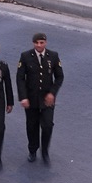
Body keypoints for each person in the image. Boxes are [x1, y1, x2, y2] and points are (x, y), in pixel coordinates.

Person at [16, 32, 64, 164]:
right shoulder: (25, 56)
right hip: (31, 99)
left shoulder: (53, 56)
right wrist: (23, 97)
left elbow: (59, 76)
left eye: (41, 43)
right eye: (36, 43)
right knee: (32, 126)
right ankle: (32, 150)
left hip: (47, 100)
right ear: (33, 43)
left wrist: (52, 93)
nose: (39, 45)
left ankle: (45, 151)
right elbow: (20, 78)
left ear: (45, 43)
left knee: (48, 125)